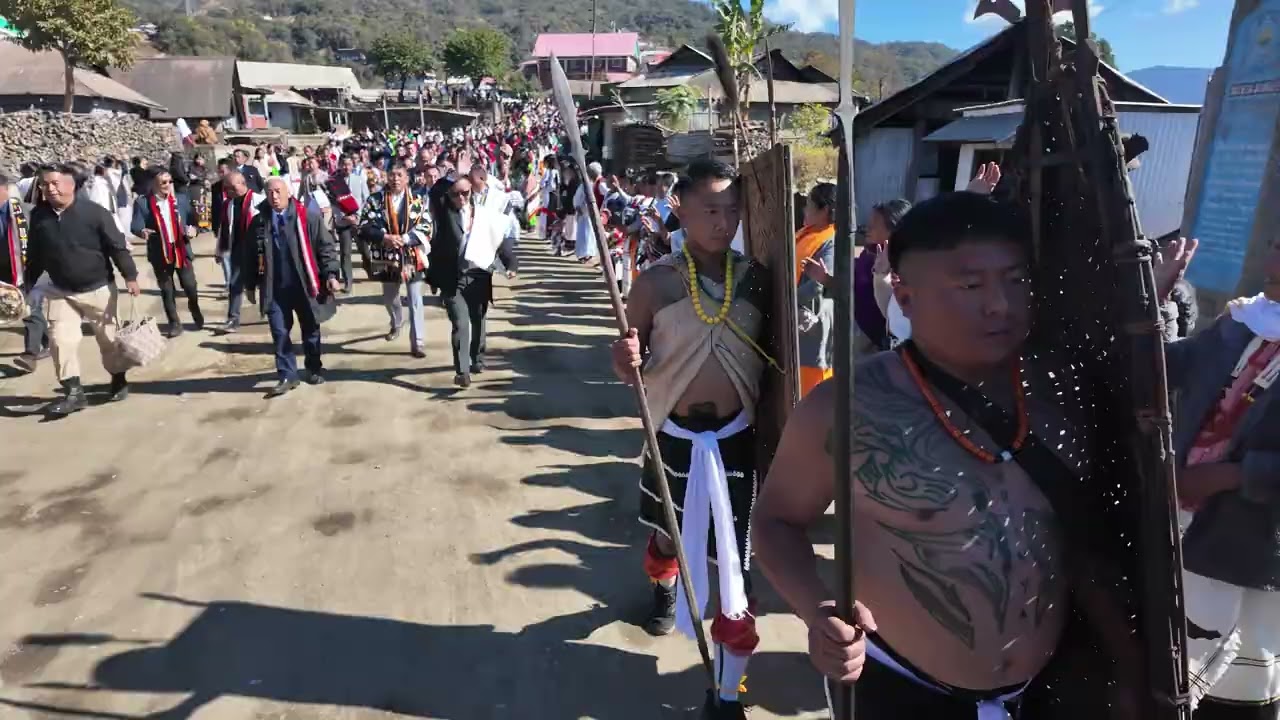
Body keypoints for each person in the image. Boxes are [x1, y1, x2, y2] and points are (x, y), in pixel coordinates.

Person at [751, 191, 1193, 719]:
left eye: (1015, 280)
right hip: (902, 688)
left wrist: (1125, 661)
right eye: (970, 285)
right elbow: (775, 521)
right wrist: (817, 608)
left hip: (1053, 687)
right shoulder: (845, 408)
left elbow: (1100, 535)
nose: (1000, 305)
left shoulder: (1068, 390)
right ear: (905, 296)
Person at [608, 158, 774, 719]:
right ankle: (664, 584)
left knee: (735, 567)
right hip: (674, 435)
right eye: (710, 210)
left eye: (732, 211)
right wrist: (625, 358)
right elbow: (628, 364)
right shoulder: (654, 282)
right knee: (668, 536)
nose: (723, 222)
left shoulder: (757, 279)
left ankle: (727, 694)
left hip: (736, 440)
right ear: (680, 208)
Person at [1169, 232, 1280, 719]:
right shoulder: (1242, 322)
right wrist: (1153, 294)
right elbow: (1161, 369)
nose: (1275, 257)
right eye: (1276, 244)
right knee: (1173, 669)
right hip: (1189, 524)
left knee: (1238, 689)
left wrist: (1229, 476)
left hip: (1251, 544)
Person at [23, 165, 141, 416]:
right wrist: (29, 285)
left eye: (54, 183)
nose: (49, 189)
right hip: (60, 289)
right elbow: (34, 254)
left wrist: (130, 276)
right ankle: (74, 393)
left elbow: (117, 247)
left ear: (71, 184)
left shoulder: (95, 213)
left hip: (98, 288)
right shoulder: (39, 216)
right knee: (60, 340)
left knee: (109, 340)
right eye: (44, 184)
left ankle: (118, 378)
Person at [246, 177, 342, 398]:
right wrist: (250, 284)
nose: (274, 196)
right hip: (275, 287)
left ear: (288, 192)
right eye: (270, 192)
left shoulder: (307, 218)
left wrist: (331, 274)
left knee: (311, 329)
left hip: (305, 285)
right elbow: (249, 255)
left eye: (278, 191)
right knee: (279, 332)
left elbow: (326, 248)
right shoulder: (259, 222)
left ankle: (313, 368)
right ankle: (287, 375)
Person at [428, 174, 517, 388]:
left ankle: (477, 358)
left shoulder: (484, 215)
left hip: (478, 275)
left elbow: (500, 240)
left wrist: (511, 264)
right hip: (453, 278)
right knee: (460, 324)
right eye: (455, 194)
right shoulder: (444, 213)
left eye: (465, 193)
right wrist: (453, 172)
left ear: (472, 192)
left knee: (478, 321)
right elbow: (436, 191)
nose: (460, 198)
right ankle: (462, 371)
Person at [359, 164, 432, 358]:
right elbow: (364, 225)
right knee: (390, 298)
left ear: (407, 178)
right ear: (386, 177)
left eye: (400, 175)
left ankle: (418, 342)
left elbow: (427, 225)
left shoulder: (418, 200)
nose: (395, 179)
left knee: (415, 299)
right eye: (392, 175)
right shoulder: (375, 200)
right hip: (387, 256)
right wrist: (384, 237)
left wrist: (406, 238)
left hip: (411, 255)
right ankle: (396, 321)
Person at [132, 169, 204, 337]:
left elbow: (194, 221)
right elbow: (135, 225)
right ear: (154, 184)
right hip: (160, 252)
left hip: (181, 249)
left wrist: (194, 230)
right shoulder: (143, 203)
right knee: (167, 289)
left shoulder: (181, 199)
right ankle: (174, 323)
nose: (168, 185)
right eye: (163, 182)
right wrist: (142, 231)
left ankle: (194, 308)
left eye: (170, 181)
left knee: (190, 286)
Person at [793, 182, 837, 398]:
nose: (805, 210)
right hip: (795, 318)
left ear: (824, 210)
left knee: (813, 392)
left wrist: (788, 301)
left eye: (809, 205)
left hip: (812, 324)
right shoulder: (807, 233)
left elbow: (818, 284)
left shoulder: (831, 241)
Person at [2, 175, 49, 373]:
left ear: (4, 190)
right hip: (3, 270)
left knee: (30, 309)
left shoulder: (27, 212)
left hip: (26, 269)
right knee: (27, 309)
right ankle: (48, 340)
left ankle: (30, 354)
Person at [215, 171, 264, 333]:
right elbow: (223, 229)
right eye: (226, 188)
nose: (228, 191)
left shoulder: (260, 201)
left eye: (231, 187)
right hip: (238, 249)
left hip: (259, 251)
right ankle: (233, 319)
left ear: (243, 184)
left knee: (265, 283)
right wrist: (219, 250)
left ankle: (273, 314)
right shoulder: (228, 204)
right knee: (235, 285)